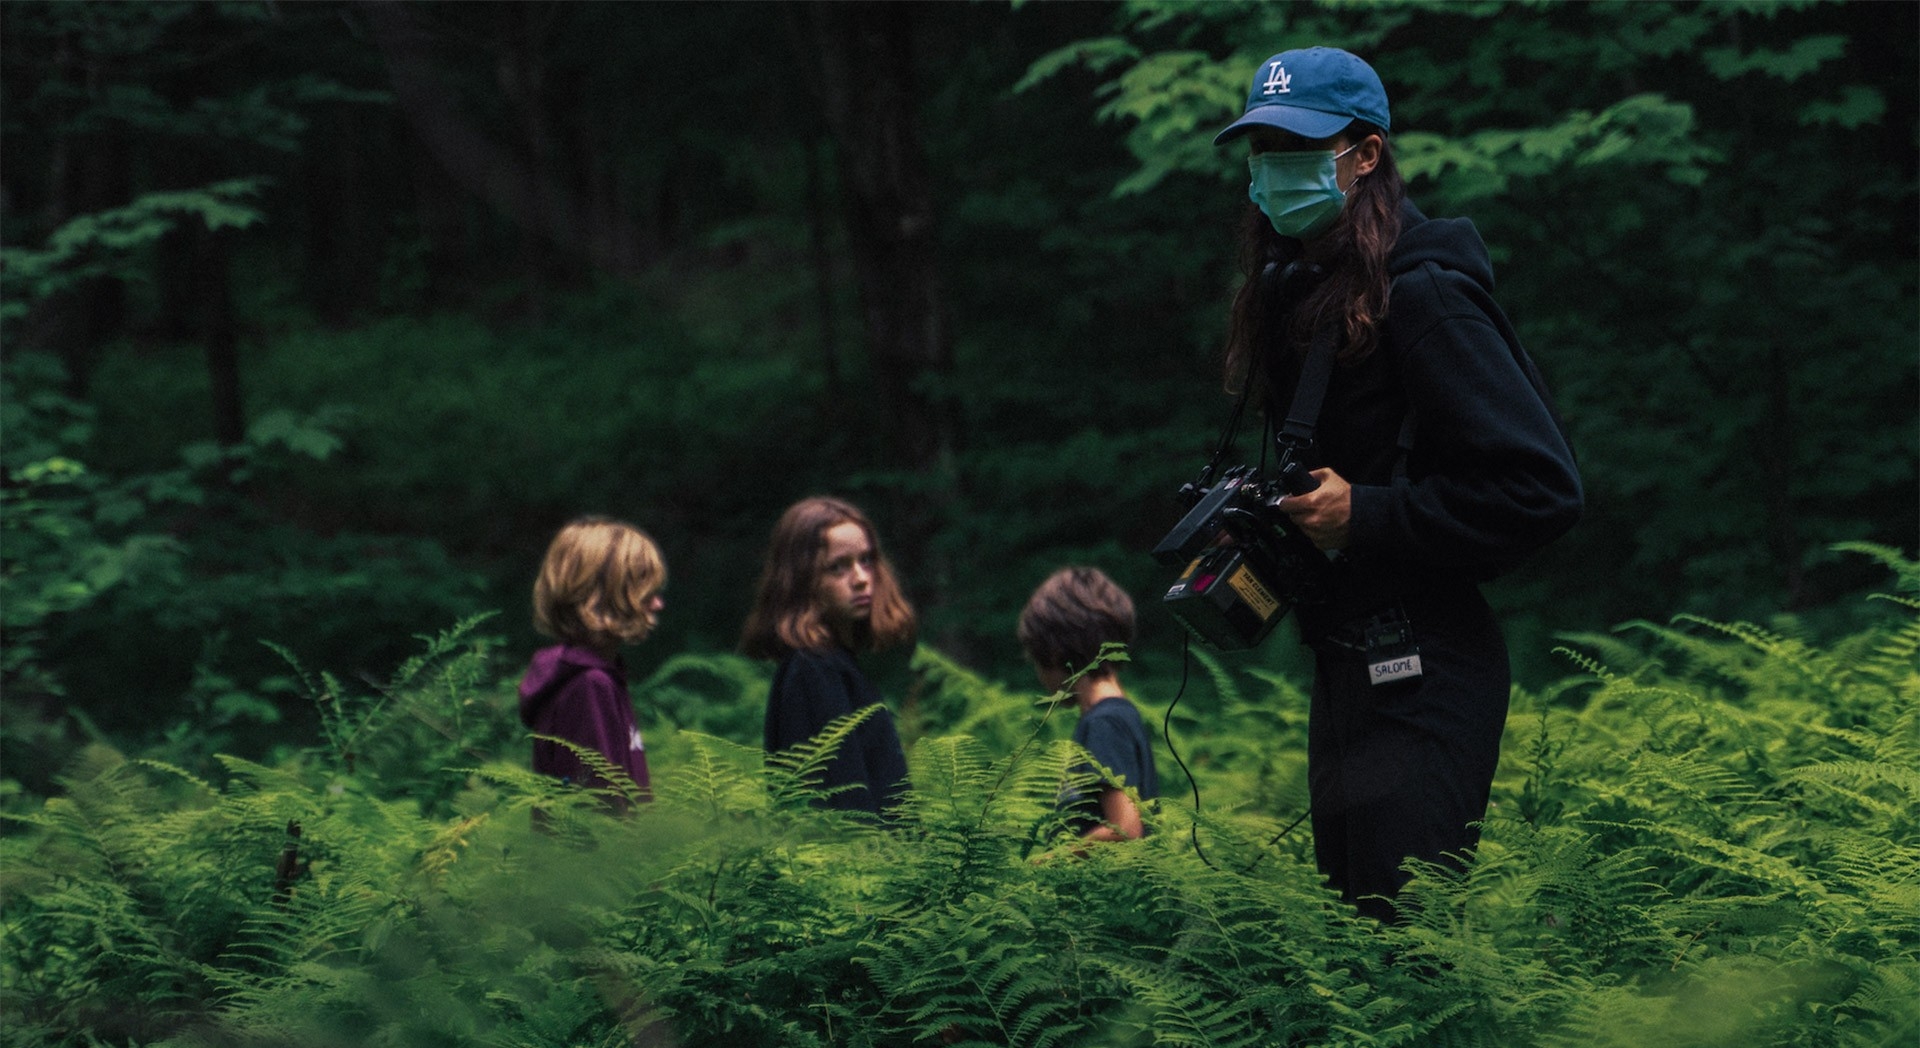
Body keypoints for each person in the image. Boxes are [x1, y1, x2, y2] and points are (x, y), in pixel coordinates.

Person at [1209, 47, 1583, 920]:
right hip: (1346, 665)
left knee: (1403, 949)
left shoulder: (1427, 299)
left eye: (1297, 145)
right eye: (1259, 147)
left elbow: (1543, 488)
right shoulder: (1309, 294)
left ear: (1367, 153)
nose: (1271, 169)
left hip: (1428, 670)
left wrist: (1366, 515)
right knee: (1356, 948)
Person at [742, 496, 917, 819]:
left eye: (866, 560)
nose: (861, 578)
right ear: (802, 582)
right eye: (838, 567)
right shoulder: (814, 672)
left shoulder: (836, 666)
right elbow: (845, 815)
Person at [517, 515, 667, 813]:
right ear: (604, 597)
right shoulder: (588, 687)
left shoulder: (593, 678)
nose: (657, 604)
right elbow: (600, 814)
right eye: (645, 593)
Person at [1018, 567, 1160, 843]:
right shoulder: (1118, 715)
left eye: (1036, 657)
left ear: (1055, 651)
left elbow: (1125, 829)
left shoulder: (1104, 724)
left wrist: (1050, 862)